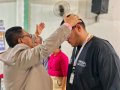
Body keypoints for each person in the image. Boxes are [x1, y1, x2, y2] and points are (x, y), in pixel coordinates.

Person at [0, 14, 80, 90]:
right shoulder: (19, 57)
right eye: (29, 36)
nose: (32, 38)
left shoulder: (14, 54)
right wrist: (67, 26)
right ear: (21, 40)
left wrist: (36, 34)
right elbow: (45, 48)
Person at [61, 15, 120, 90]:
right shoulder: (76, 48)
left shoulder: (102, 49)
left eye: (66, 34)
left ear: (78, 28)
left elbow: (114, 85)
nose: (65, 39)